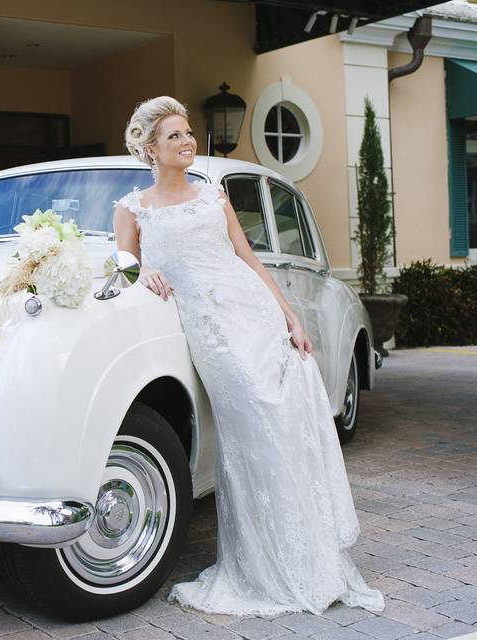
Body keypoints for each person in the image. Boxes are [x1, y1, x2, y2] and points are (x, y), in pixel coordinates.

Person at [112, 96, 385, 617]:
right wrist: (138, 271)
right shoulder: (132, 208)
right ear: (150, 148)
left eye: (188, 132)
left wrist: (290, 318)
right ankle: (259, 565)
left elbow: (247, 258)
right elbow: (123, 260)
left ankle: (305, 558)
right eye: (174, 136)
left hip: (254, 317)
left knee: (281, 431)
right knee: (250, 433)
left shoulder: (213, 195)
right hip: (213, 334)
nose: (188, 141)